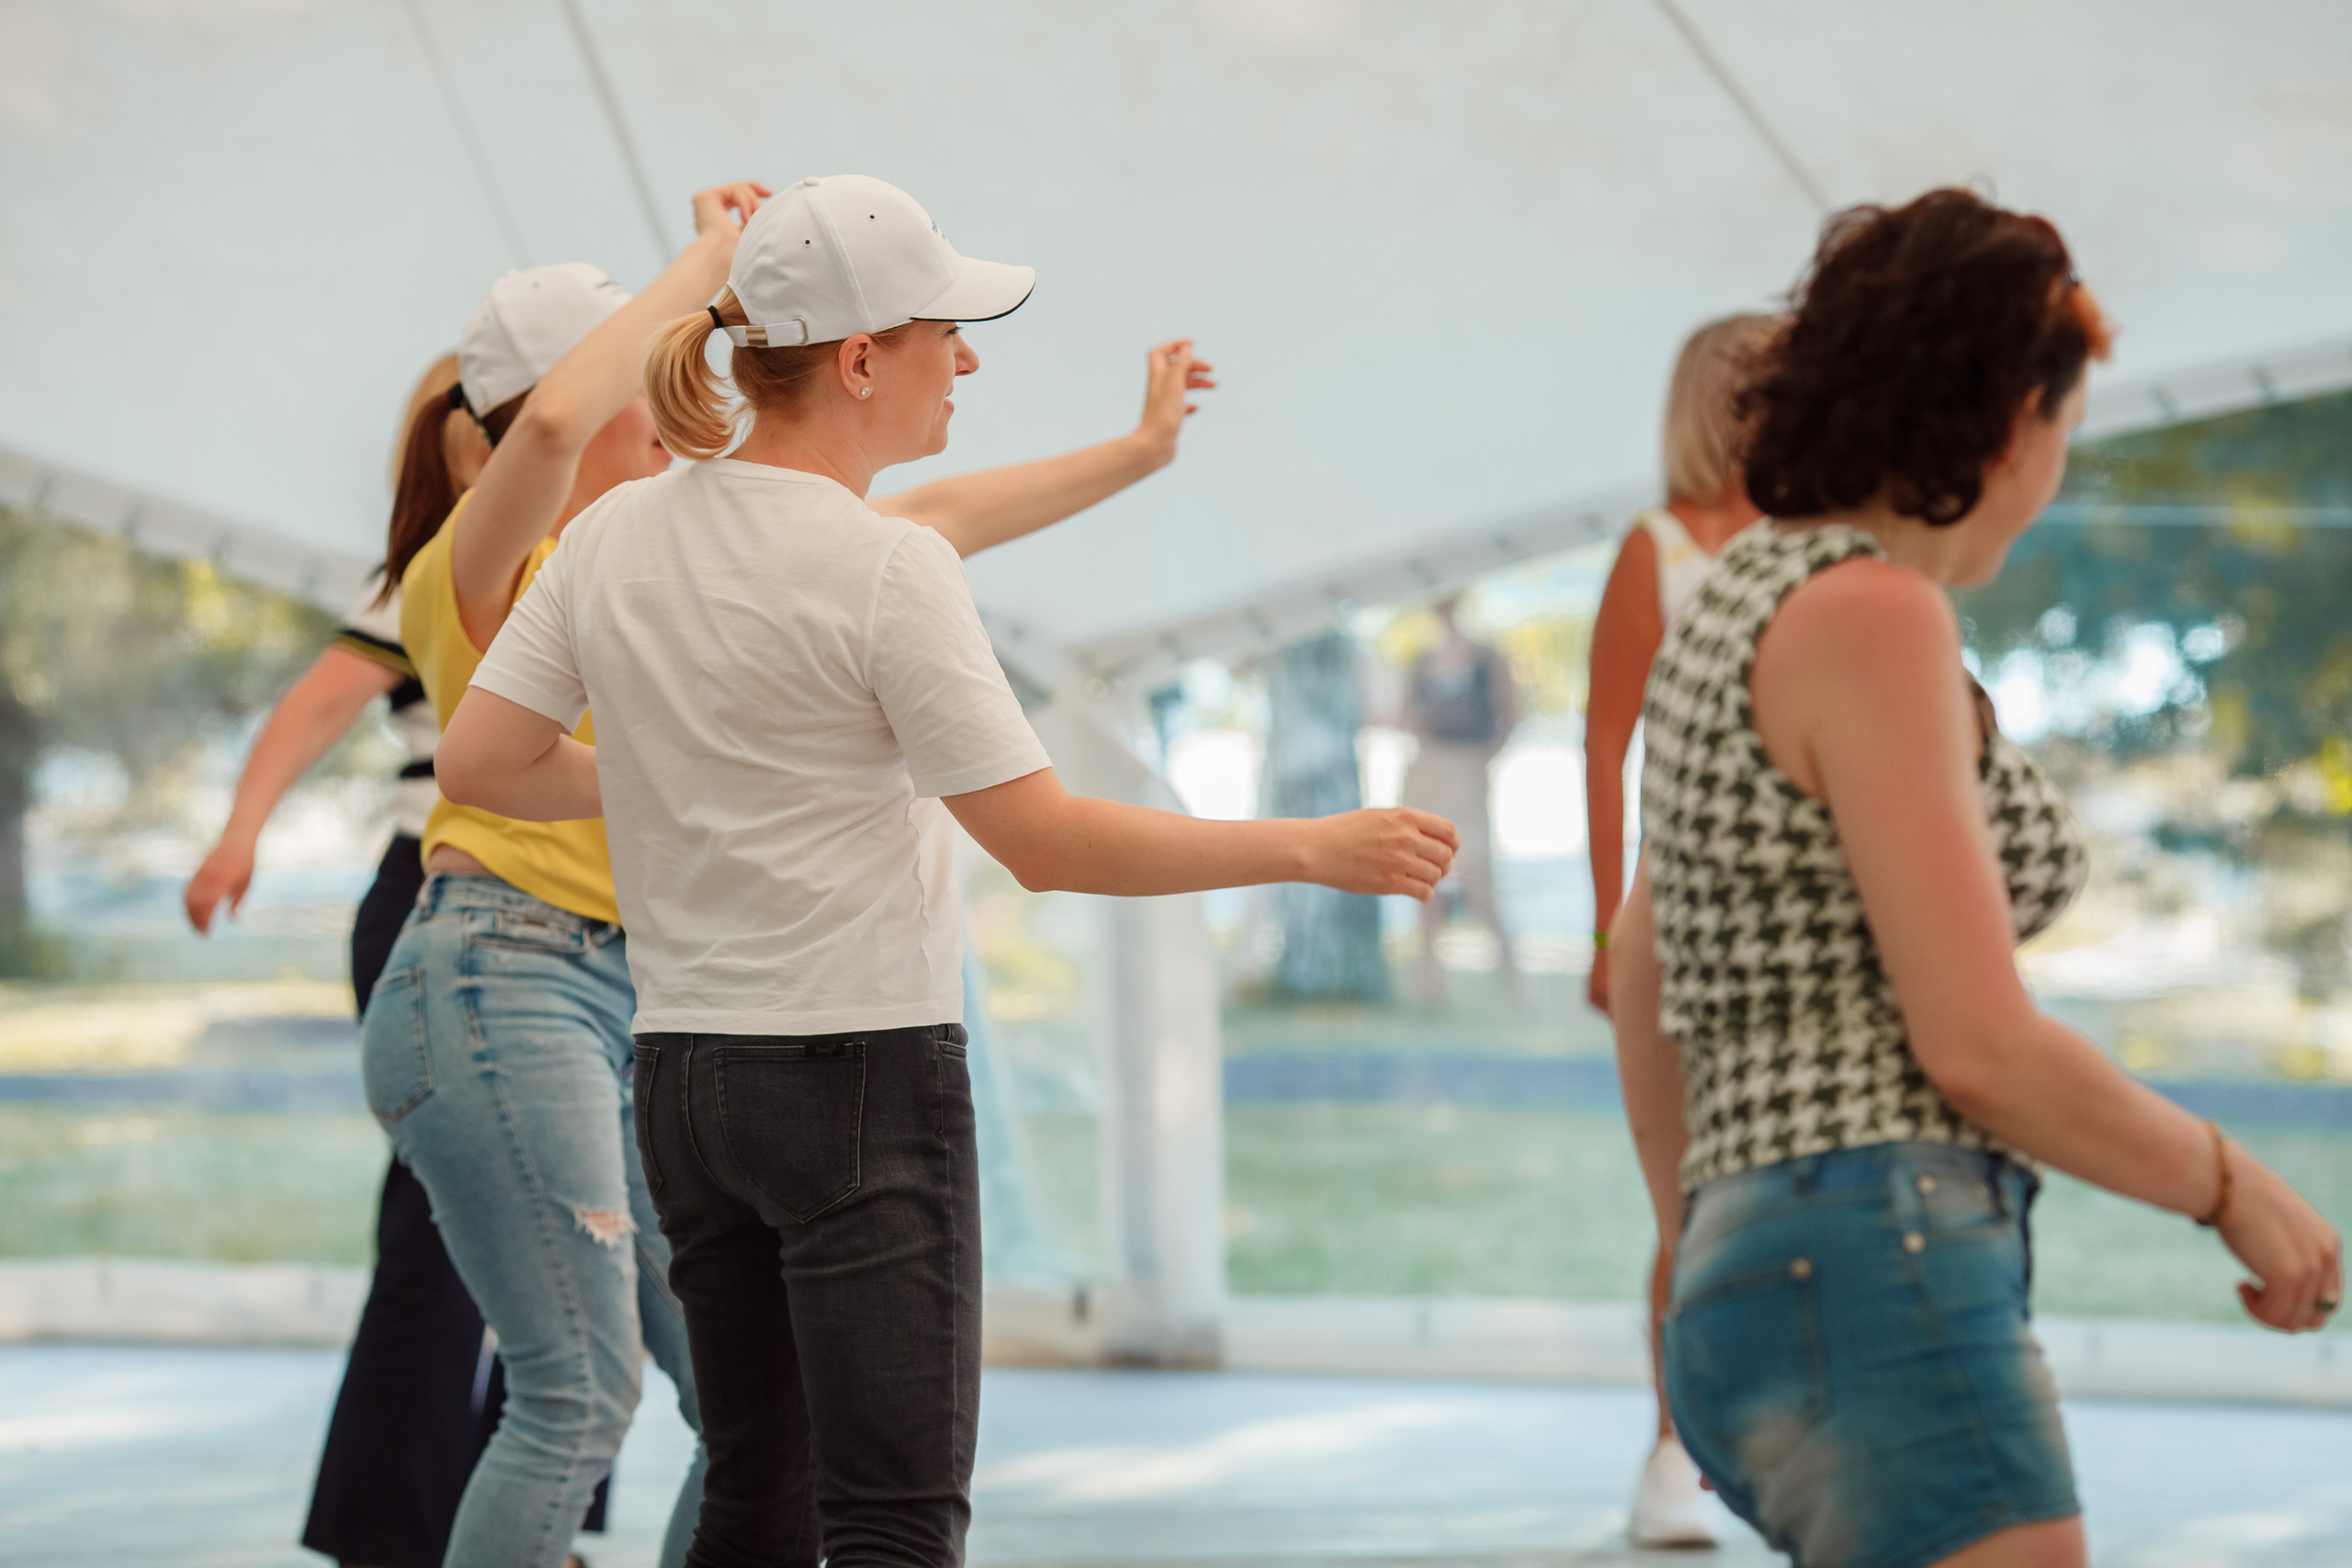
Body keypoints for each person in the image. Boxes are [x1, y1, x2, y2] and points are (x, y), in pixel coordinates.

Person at [434, 173, 1458, 1566]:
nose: (965, 361)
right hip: (857, 1075)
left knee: (755, 1490)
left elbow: (481, 759)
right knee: (893, 1518)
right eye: (944, 333)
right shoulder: (883, 569)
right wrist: (1303, 846)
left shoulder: (621, 533)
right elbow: (1042, 839)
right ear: (861, 357)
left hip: (683, 1079)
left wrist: (680, 782)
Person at [1611, 188, 2342, 1568]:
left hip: (1756, 1270)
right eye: (2066, 424)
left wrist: (1709, 1249)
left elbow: (1651, 961)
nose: (2060, 458)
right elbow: (1980, 1043)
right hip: (1880, 1253)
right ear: (2010, 419)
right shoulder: (1875, 617)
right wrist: (2229, 1181)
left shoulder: (1733, 608)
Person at [183, 355, 613, 1568]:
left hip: (575, 910)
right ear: (484, 448)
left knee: (576, 1246)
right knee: (451, 1238)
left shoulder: (602, 552)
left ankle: (517, 1520)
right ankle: (403, 1532)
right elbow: (320, 701)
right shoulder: (461, 558)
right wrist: (240, 826)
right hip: (457, 893)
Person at [1578, 311, 1779, 1549]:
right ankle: (1670, 1445)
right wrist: (1607, 929)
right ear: (1720, 400)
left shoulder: (1827, 541)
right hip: (1681, 910)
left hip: (1796, 909)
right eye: (1765, 385)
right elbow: (1604, 742)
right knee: (1692, 1202)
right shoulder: (1656, 547)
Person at [1400, 593, 1520, 1008]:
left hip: (1467, 775)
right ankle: (1430, 987)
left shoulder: (1486, 657)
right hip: (1430, 772)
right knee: (1424, 882)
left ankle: (1514, 985)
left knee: (1479, 884)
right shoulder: (1421, 661)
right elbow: (1406, 715)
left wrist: (1482, 759)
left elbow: (1510, 714)